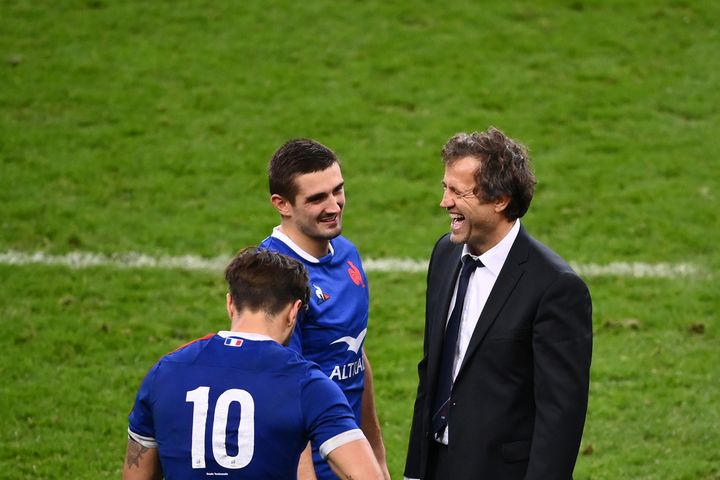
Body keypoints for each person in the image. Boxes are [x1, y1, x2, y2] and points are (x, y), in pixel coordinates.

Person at [404, 127, 593, 480]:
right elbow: (430, 373)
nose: (444, 202)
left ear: (500, 200)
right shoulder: (445, 254)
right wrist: (415, 470)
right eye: (445, 187)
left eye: (458, 192)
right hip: (437, 466)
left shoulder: (555, 287)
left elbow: (560, 415)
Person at [123, 247, 384, 480]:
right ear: (294, 312)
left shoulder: (166, 372)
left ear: (229, 304)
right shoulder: (309, 385)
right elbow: (366, 474)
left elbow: (136, 474)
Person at [258, 138, 391, 480]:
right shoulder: (275, 278)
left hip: (348, 457)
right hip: (300, 466)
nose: (334, 205)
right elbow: (283, 389)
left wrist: (376, 457)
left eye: (338, 190)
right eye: (317, 198)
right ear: (282, 204)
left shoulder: (347, 253)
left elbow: (356, 358)